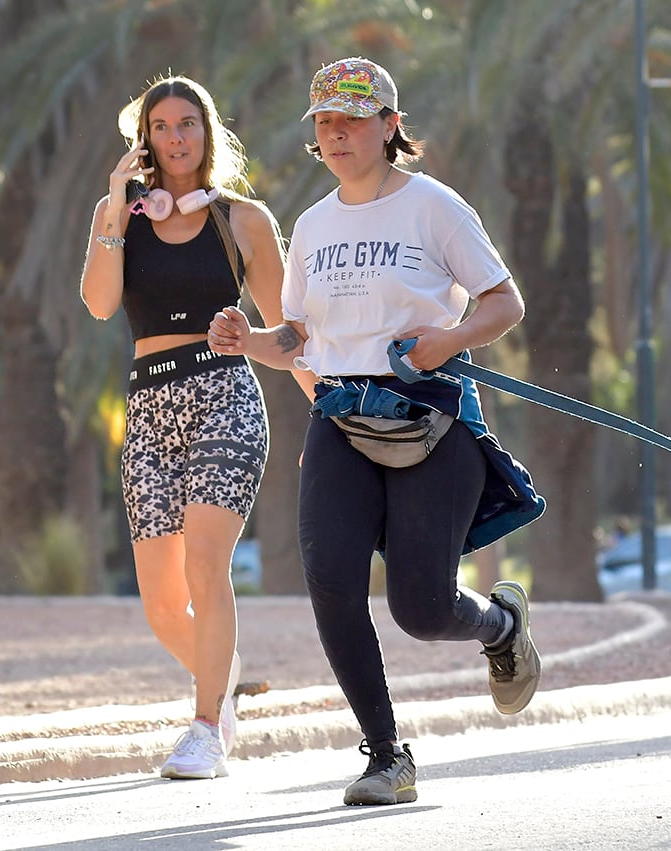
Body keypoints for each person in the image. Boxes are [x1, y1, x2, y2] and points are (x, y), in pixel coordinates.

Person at [207, 56, 544, 805]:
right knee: (330, 580)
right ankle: (387, 755)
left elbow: (504, 301)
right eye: (325, 122)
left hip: (430, 412)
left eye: (353, 120)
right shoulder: (313, 224)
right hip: (338, 414)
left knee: (421, 609)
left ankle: (499, 624)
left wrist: (445, 342)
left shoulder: (435, 207)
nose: (336, 134)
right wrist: (248, 339)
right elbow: (297, 336)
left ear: (390, 127)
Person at [79, 75, 288, 778]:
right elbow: (101, 304)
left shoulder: (243, 220)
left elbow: (291, 332)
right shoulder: (121, 220)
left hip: (223, 391)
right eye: (162, 126)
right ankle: (223, 681)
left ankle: (205, 729)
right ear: (144, 140)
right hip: (148, 409)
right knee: (163, 603)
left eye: (188, 123)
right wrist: (115, 201)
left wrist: (334, 394)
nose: (176, 138)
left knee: (206, 566)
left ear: (208, 131)